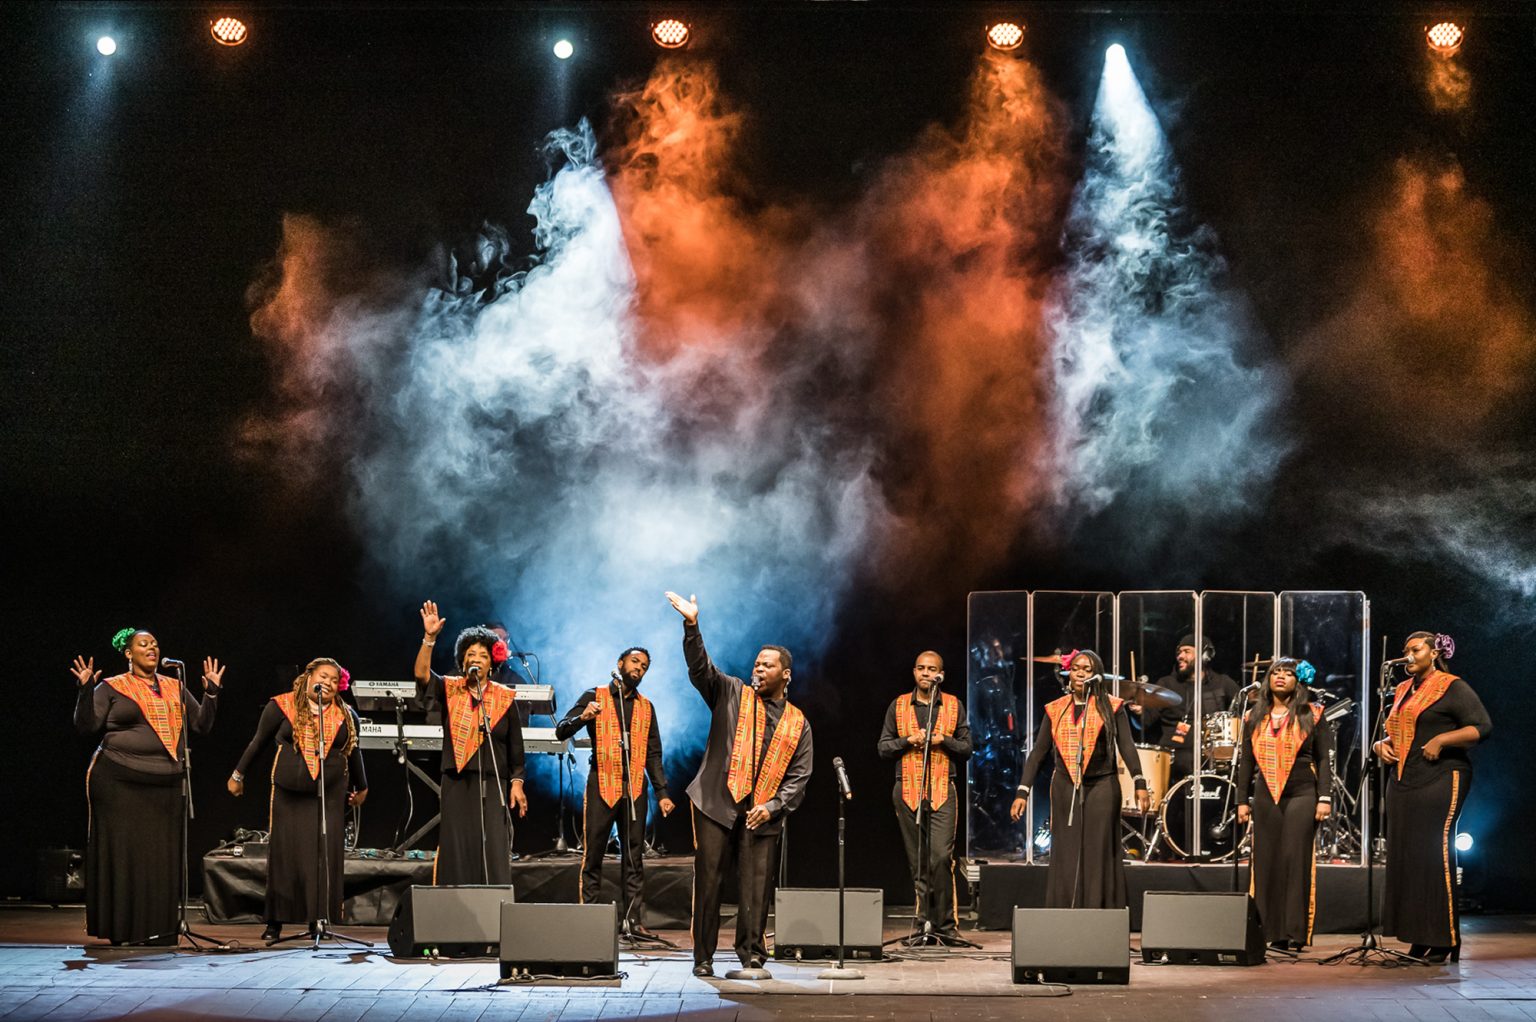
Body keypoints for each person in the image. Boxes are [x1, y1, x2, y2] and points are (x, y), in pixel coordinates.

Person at [665, 591, 813, 978]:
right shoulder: (730, 691)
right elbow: (700, 669)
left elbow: (800, 774)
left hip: (761, 811)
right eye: (757, 664)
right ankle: (703, 957)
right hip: (716, 801)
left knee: (756, 887)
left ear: (786, 674)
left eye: (768, 666)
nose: (759, 669)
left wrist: (775, 806)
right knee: (710, 881)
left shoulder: (798, 722)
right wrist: (692, 625)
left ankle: (752, 954)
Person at [72, 629, 224, 945]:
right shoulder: (112, 687)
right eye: (143, 644)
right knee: (127, 856)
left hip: (166, 784)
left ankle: (160, 928)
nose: (152, 648)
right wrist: (86, 690)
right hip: (118, 781)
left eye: (155, 643)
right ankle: (125, 929)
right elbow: (86, 725)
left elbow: (201, 725)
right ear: (129, 653)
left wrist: (211, 693)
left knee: (159, 857)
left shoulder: (174, 686)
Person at [229, 658, 368, 942]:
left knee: (322, 855)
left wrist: (362, 787)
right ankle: (275, 921)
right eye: (323, 676)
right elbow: (258, 742)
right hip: (288, 795)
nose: (328, 683)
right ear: (308, 676)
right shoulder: (280, 706)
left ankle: (318, 918)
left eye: (333, 680)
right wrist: (238, 774)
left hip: (328, 795)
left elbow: (354, 752)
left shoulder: (346, 715)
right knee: (285, 855)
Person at [1375, 631, 1491, 963]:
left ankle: (1444, 939)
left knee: (1433, 854)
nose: (1408, 655)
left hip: (1442, 776)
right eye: (1405, 650)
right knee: (1408, 858)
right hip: (1404, 779)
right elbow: (1394, 732)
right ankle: (1418, 937)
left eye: (1415, 649)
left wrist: (1443, 739)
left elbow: (1482, 726)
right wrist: (1379, 745)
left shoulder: (1452, 686)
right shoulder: (1401, 690)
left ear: (1433, 652)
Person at [554, 647, 676, 937]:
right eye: (635, 662)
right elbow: (561, 730)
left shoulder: (646, 706)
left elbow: (654, 753)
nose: (639, 669)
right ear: (620, 663)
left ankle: (633, 921)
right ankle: (591, 918)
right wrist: (584, 716)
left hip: (634, 787)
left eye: (645, 666)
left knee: (634, 856)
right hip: (602, 784)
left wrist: (663, 793)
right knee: (594, 853)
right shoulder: (594, 695)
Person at [1010, 649, 1147, 908]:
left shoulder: (1112, 706)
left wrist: (1139, 782)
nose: (1081, 673)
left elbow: (1127, 747)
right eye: (1076, 668)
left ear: (1097, 674)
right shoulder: (1056, 709)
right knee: (1067, 851)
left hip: (1103, 785)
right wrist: (1022, 791)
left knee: (1098, 851)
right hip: (1064, 785)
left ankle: (1099, 912)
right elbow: (1039, 752)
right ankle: (1066, 913)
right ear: (1068, 674)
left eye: (1088, 669)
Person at [415, 601, 528, 884]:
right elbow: (421, 675)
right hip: (457, 781)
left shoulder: (505, 697)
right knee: (458, 847)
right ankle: (455, 907)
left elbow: (516, 747)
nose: (476, 658)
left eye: (483, 654)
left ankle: (493, 909)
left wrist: (516, 783)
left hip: (493, 782)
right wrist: (429, 639)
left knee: (493, 849)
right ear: (462, 661)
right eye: (470, 654)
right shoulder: (450, 688)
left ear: (493, 662)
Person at [1233, 657, 1332, 951]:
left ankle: (1295, 932)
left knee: (1294, 858)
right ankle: (1270, 931)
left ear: (1297, 681)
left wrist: (1324, 797)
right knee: (1267, 860)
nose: (1280, 677)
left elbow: (1324, 758)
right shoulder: (1254, 716)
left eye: (1288, 673)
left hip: (1302, 792)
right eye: (1275, 672)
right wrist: (1241, 801)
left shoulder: (1313, 713)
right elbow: (1246, 762)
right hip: (1265, 794)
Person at [876, 650, 972, 942]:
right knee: (918, 861)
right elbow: (883, 747)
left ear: (941, 673)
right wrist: (909, 740)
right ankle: (923, 924)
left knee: (940, 857)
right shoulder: (899, 705)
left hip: (943, 788)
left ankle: (945, 924)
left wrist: (945, 740)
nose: (926, 673)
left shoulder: (954, 705)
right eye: (921, 668)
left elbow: (967, 748)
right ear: (914, 672)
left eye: (932, 669)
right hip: (907, 788)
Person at [1140, 635, 1240, 778]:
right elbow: (1146, 720)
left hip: (1213, 756)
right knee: (1185, 761)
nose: (1180, 656)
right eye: (1179, 653)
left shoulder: (1222, 683)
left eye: (1186, 651)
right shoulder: (1167, 684)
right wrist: (1138, 711)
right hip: (1174, 756)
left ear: (1204, 656)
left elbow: (1244, 706)